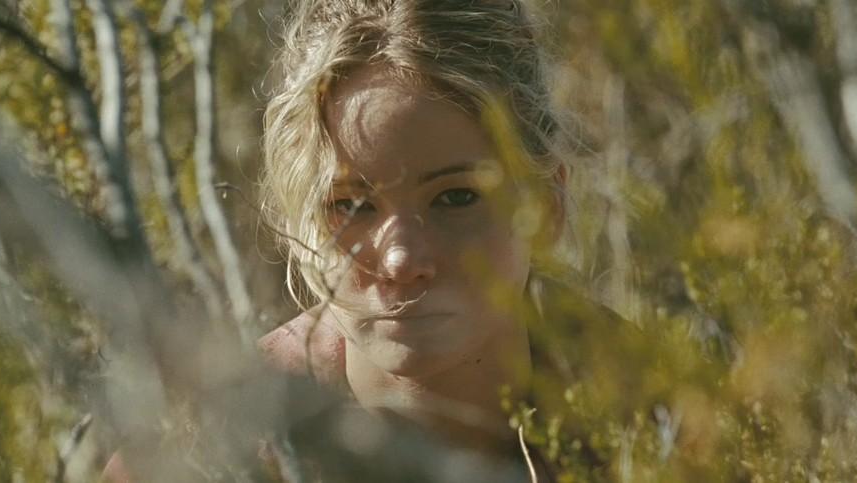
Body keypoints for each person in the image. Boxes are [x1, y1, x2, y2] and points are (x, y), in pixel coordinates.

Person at [250, 0, 620, 480]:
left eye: (456, 197)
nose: (401, 259)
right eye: (352, 205)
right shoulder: (222, 444)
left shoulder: (665, 427)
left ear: (546, 209)